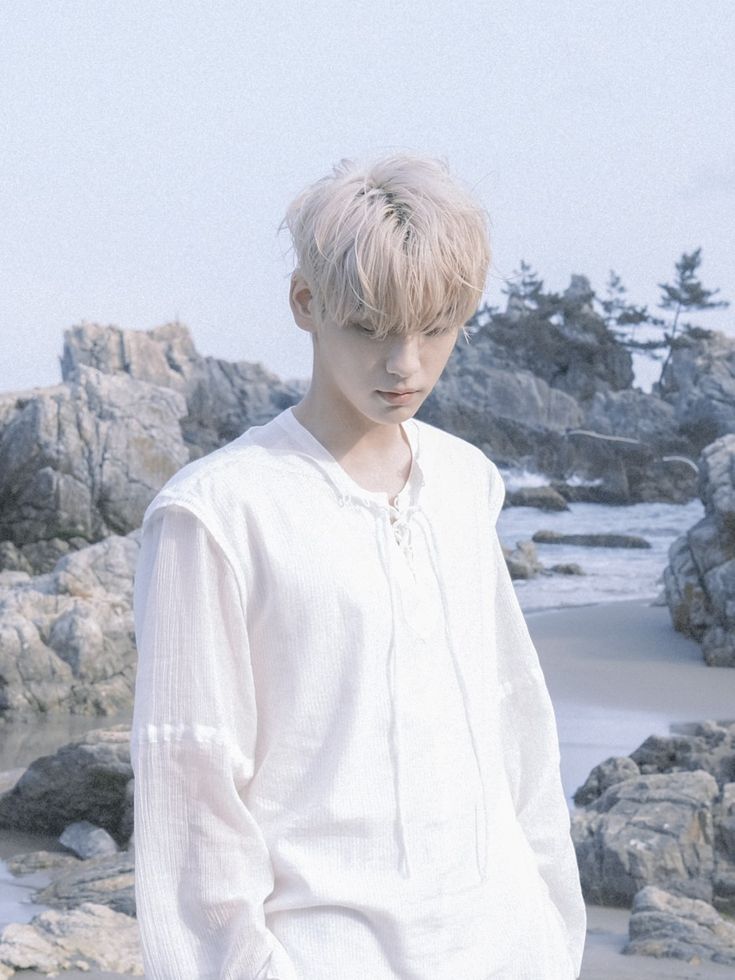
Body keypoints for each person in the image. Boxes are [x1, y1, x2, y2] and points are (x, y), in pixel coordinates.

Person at [130, 152, 587, 979]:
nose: (404, 365)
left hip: (506, 947)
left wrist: (553, 931)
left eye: (436, 327)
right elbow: (192, 792)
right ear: (306, 303)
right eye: (371, 326)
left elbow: (515, 719)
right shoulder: (216, 514)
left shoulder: (464, 481)